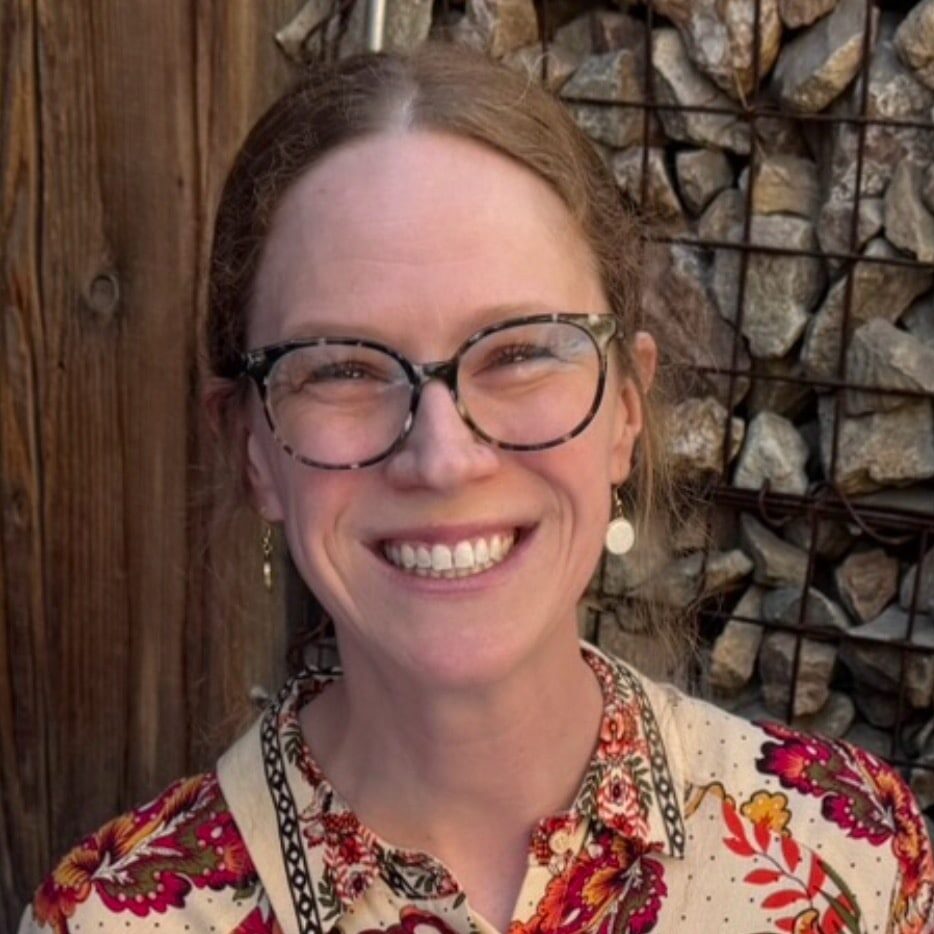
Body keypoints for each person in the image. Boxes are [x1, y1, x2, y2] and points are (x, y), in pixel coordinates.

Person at [19, 44, 934, 934]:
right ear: (253, 447)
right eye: (341, 368)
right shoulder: (112, 920)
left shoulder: (846, 858)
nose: (444, 457)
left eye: (523, 352)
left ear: (624, 410)